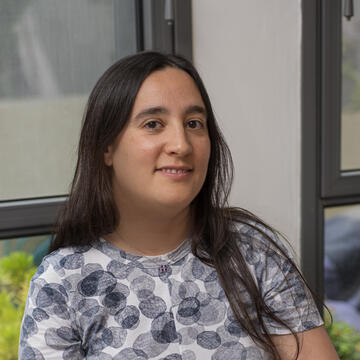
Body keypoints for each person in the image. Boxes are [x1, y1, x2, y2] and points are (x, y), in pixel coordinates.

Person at [19, 51, 338, 359]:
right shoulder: (62, 282)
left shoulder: (253, 253)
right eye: (153, 124)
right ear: (107, 147)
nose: (181, 145)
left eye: (194, 123)